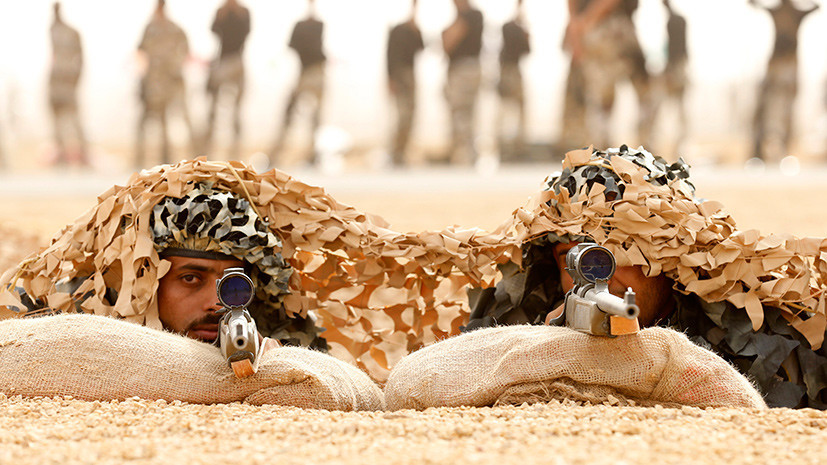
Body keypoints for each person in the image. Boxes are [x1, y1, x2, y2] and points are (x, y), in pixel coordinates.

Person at [465, 145, 827, 409]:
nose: (592, 277)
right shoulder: (527, 319)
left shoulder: (749, 333)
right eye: (570, 257)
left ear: (666, 258)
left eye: (615, 251)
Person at [564, 0, 653, 148]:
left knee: (603, 97)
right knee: (639, 94)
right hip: (610, 26)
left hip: (594, 28)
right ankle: (641, 148)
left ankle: (602, 147)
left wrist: (578, 26)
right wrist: (585, 21)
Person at [750, 0, 818, 163]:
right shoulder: (777, 12)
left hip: (789, 64)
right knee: (763, 110)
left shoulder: (796, 13)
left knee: (787, 112)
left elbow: (817, 7)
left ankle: (784, 150)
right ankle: (758, 151)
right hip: (775, 64)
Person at [135, 0, 195, 170]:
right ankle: (142, 160)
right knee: (151, 123)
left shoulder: (174, 29)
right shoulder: (150, 29)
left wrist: (175, 66)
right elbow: (140, 51)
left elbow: (186, 50)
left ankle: (171, 160)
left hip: (171, 85)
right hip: (153, 86)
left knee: (174, 121)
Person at [270, 0, 326, 167]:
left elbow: (309, 45)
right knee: (290, 111)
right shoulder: (300, 25)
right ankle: (278, 154)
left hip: (315, 71)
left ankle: (314, 155)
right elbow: (293, 45)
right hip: (305, 72)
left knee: (315, 116)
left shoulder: (318, 25)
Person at [203, 0, 251, 160]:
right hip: (225, 61)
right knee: (213, 110)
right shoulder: (224, 12)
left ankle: (236, 155)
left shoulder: (242, 13)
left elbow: (245, 33)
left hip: (233, 61)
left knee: (236, 112)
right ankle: (208, 153)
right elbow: (214, 31)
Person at [441, 0, 484, 166]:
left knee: (462, 113)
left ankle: (464, 154)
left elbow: (448, 43)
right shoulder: (465, 17)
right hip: (464, 69)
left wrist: (446, 33)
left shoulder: (471, 15)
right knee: (463, 113)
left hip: (464, 70)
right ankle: (464, 153)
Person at [49, 2, 88, 167]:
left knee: (74, 120)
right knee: (58, 122)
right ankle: (61, 156)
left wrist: (74, 80)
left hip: (67, 83)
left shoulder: (71, 33)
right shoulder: (52, 30)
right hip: (56, 83)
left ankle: (84, 155)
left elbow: (80, 59)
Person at [386, 0, 424, 167]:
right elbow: (389, 55)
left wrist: (416, 30)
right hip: (399, 75)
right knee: (402, 115)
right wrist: (390, 78)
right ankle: (395, 152)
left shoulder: (413, 29)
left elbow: (421, 48)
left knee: (411, 115)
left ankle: (402, 152)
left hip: (409, 75)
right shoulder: (396, 30)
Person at [654, 0, 689, 158]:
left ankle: (678, 147)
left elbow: (677, 48)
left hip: (676, 68)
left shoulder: (674, 21)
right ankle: (675, 147)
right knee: (675, 109)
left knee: (672, 109)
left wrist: (670, 69)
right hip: (677, 66)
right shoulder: (677, 19)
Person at [497, 0, 531, 162]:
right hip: (507, 70)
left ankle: (517, 146)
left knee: (518, 109)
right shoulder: (508, 27)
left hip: (514, 70)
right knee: (506, 109)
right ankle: (505, 146)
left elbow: (527, 50)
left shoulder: (519, 28)